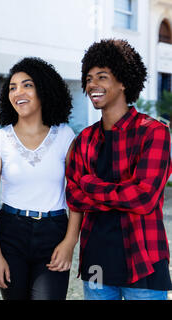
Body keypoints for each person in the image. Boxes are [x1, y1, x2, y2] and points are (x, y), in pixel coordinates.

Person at [66, 39, 172, 300]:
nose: (92, 85)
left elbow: (144, 198)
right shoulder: (84, 139)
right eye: (89, 78)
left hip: (144, 264)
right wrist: (121, 194)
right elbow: (73, 196)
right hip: (96, 265)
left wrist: (90, 185)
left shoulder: (154, 132)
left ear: (123, 81)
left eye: (102, 77)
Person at [0, 57, 81, 300]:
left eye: (27, 85)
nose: (18, 92)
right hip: (10, 232)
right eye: (12, 87)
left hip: (53, 232)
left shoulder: (65, 136)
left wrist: (69, 242)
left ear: (43, 89)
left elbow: (77, 195)